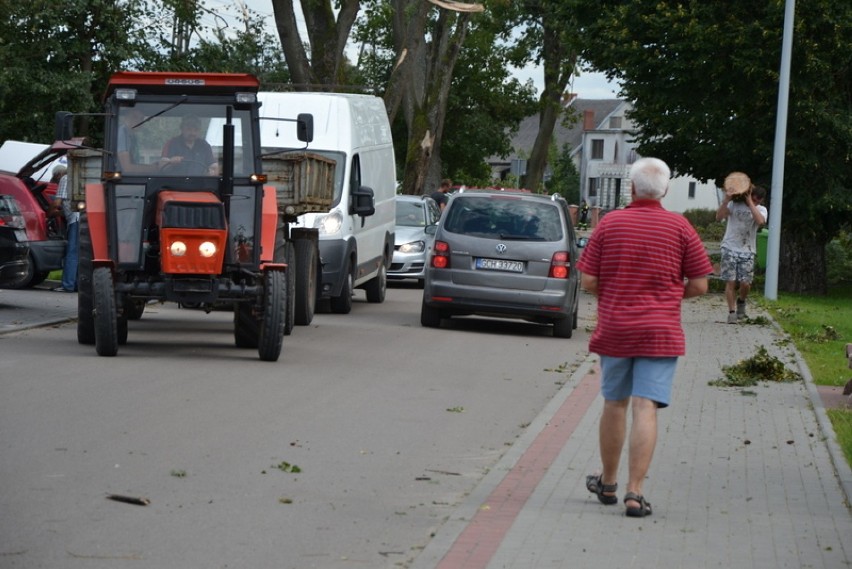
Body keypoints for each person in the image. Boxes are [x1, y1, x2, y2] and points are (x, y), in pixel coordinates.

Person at [576, 157, 712, 518]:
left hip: (616, 328)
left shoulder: (610, 224)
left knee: (614, 403)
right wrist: (668, 294)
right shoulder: (681, 228)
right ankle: (635, 493)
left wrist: (619, 290)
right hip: (660, 332)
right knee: (645, 406)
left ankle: (607, 482)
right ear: (665, 189)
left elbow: (588, 281)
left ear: (632, 188)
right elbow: (699, 284)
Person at [716, 177, 767, 324]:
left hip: (748, 250)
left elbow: (760, 222)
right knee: (730, 282)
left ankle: (742, 301)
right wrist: (726, 200)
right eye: (753, 198)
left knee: (746, 283)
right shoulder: (734, 205)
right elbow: (718, 217)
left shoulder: (761, 209)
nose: (755, 201)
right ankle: (732, 313)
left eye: (758, 200)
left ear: (761, 200)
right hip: (729, 247)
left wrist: (751, 203)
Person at [48, 166, 79, 292]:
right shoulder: (77, 178)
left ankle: (68, 285)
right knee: (81, 254)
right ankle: (77, 284)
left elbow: (57, 204)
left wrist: (48, 213)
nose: (56, 181)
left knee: (72, 254)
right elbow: (65, 210)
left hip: (75, 221)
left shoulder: (65, 178)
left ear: (59, 174)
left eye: (56, 178)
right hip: (83, 218)